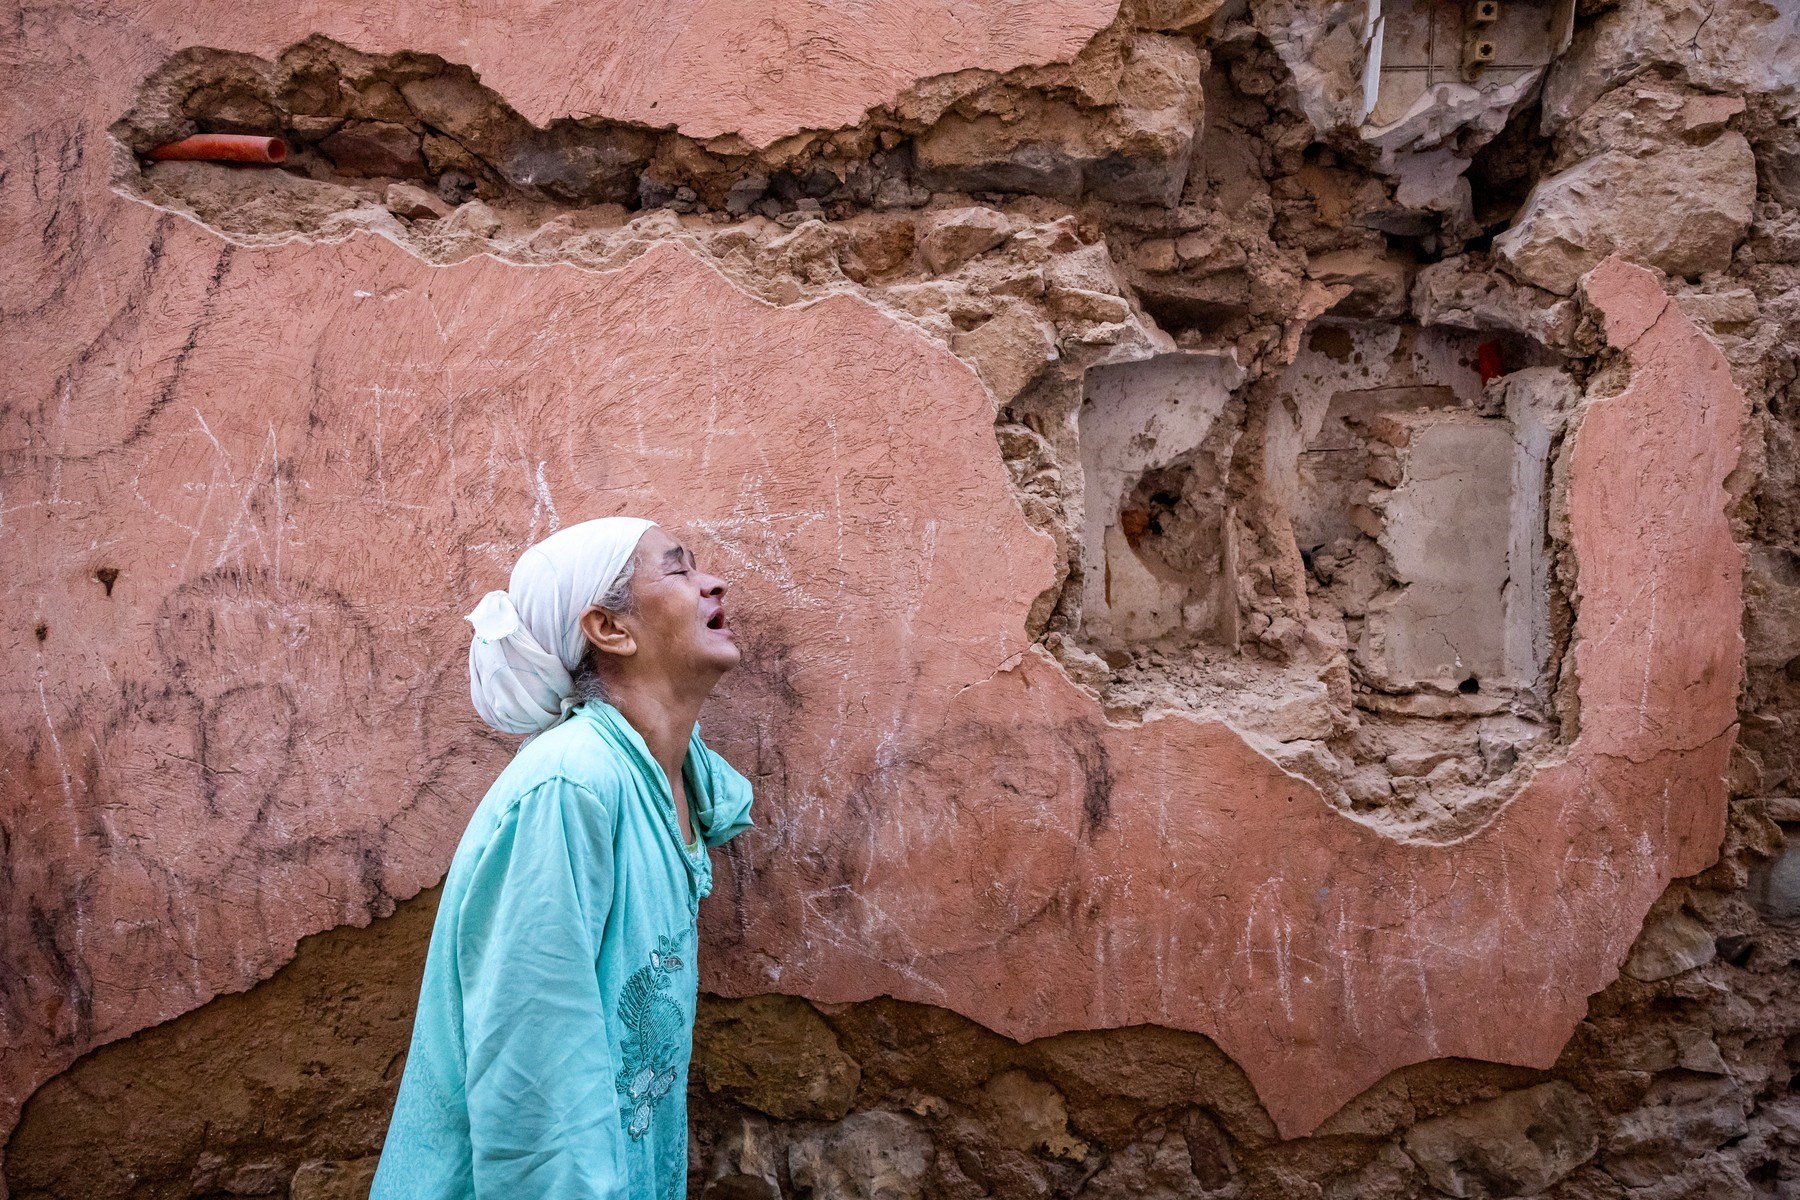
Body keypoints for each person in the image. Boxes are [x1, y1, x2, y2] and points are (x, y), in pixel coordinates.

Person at [371, 516, 753, 1200]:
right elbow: (536, 1083)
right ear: (610, 629)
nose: (712, 582)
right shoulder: (570, 788)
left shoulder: (666, 778)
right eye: (680, 569)